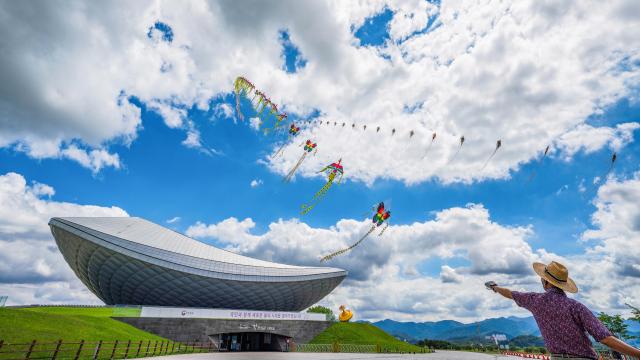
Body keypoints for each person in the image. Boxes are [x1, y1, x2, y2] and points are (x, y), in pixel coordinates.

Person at [486, 261, 640, 360]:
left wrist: (494, 287)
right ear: (563, 285)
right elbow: (605, 338)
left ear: (546, 282)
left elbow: (510, 293)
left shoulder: (534, 300)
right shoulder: (576, 307)